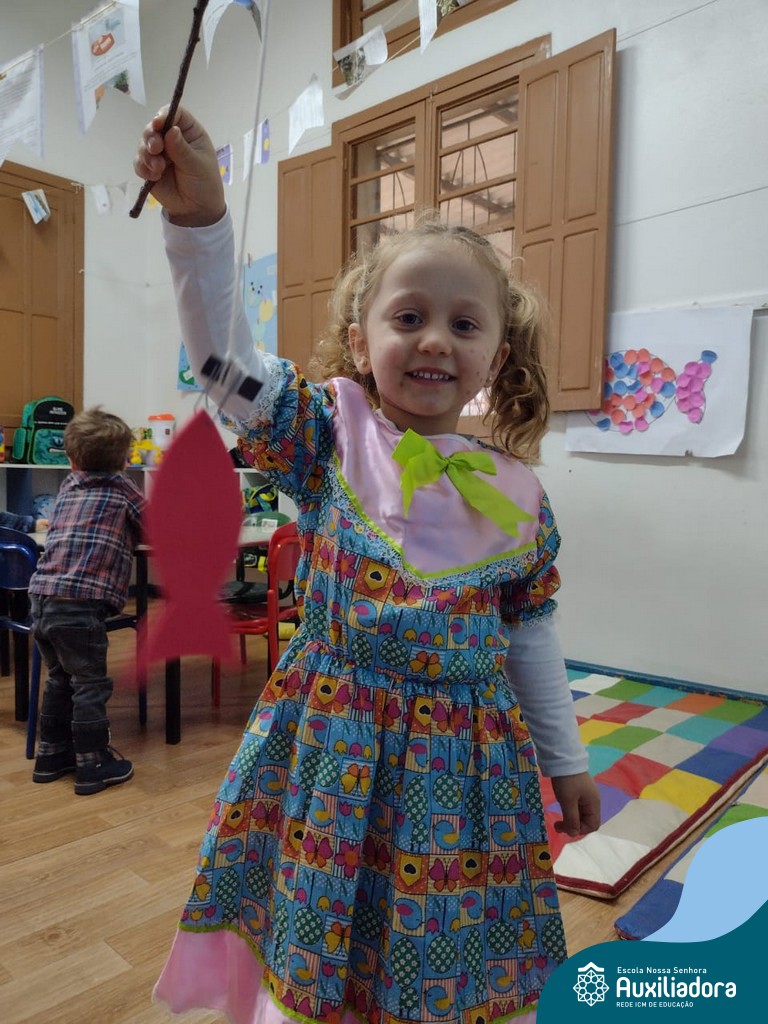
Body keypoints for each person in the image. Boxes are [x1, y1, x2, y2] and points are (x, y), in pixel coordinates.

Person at [134, 107, 600, 1024]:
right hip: (334, 754)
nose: (434, 340)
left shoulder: (518, 495)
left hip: (467, 775)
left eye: (463, 323)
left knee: (437, 959)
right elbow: (223, 363)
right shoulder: (326, 437)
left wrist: (568, 761)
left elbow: (531, 639)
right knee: (323, 946)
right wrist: (201, 223)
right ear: (360, 341)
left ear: (494, 358)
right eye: (408, 317)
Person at [28, 407, 144, 795]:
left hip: (42, 598)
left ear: (72, 459)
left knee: (59, 678)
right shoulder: (123, 489)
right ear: (125, 460)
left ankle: (50, 756)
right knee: (90, 684)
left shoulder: (68, 486)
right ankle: (93, 764)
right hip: (80, 605)